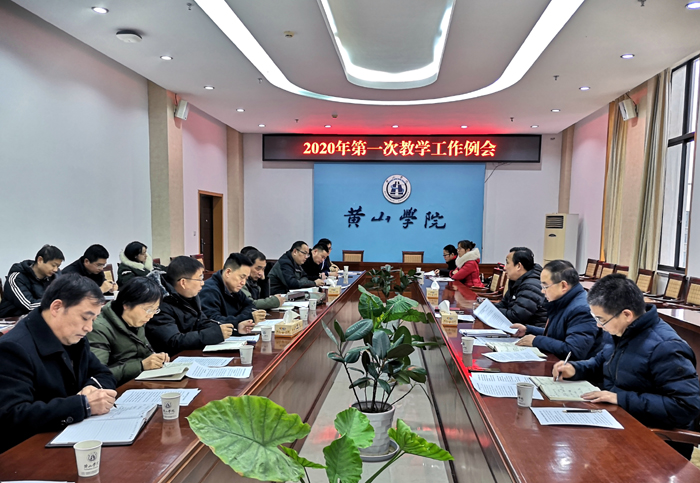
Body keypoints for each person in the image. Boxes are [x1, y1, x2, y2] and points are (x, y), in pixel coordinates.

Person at [552, 274, 700, 458]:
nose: (598, 325)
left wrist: (619, 398)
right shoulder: (620, 330)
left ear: (627, 315)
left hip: (655, 442)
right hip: (617, 422)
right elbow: (601, 362)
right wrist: (576, 369)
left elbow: (686, 406)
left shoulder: (666, 347)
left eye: (601, 319)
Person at [0, 274, 117, 453]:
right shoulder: (14, 348)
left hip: (76, 436)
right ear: (57, 307)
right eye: (85, 317)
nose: (89, 328)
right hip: (32, 450)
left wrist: (91, 388)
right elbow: (13, 416)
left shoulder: (74, 338)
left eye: (93, 320)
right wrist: (82, 405)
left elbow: (103, 373)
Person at [511, 259, 604, 360]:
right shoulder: (564, 300)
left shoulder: (582, 309)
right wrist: (529, 330)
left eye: (545, 286)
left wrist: (536, 340)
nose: (542, 291)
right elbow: (560, 334)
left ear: (563, 285)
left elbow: (573, 351)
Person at [87, 277, 169, 385]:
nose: (151, 315)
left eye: (155, 310)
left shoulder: (137, 321)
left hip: (139, 381)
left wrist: (157, 359)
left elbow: (144, 354)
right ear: (126, 304)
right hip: (116, 389)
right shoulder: (99, 328)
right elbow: (97, 375)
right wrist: (140, 366)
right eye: (148, 309)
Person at [146, 256, 231, 356]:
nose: (203, 283)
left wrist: (226, 329)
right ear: (183, 282)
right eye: (200, 279)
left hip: (191, 353)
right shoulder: (159, 303)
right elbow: (173, 341)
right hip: (172, 359)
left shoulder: (190, 296)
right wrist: (213, 334)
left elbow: (201, 321)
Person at [200, 253, 260, 334]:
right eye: (242, 277)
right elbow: (213, 321)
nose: (243, 282)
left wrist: (242, 319)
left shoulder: (233, 288)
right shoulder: (209, 291)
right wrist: (243, 319)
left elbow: (250, 305)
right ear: (228, 272)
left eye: (246, 279)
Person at [0, 245, 65, 318]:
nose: (55, 269)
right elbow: (29, 305)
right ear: (40, 260)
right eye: (53, 265)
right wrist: (56, 303)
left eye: (58, 266)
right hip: (11, 319)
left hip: (41, 318)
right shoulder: (16, 278)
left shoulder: (55, 277)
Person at [494, 247, 547, 327]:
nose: (504, 267)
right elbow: (503, 304)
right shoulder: (517, 281)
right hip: (519, 329)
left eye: (507, 263)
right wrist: (485, 308)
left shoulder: (531, 286)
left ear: (519, 266)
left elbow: (516, 317)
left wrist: (492, 312)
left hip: (532, 331)